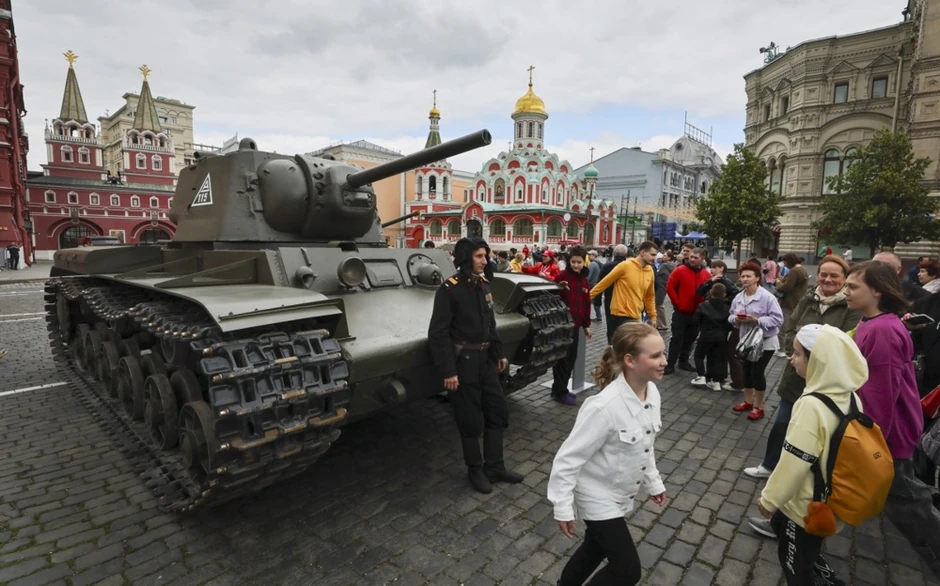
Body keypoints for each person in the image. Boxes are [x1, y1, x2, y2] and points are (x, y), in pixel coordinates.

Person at [547, 323, 667, 586]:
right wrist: (562, 507)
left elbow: (646, 444)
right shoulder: (603, 407)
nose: (664, 362)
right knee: (626, 571)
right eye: (656, 356)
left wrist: (654, 482)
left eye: (663, 353)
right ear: (630, 360)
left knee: (595, 547)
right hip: (596, 496)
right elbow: (568, 459)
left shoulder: (652, 393)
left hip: (619, 493)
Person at [845, 261, 940, 577]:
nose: (846, 291)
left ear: (876, 291)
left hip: (889, 438)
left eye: (853, 286)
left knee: (912, 508)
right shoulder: (874, 322)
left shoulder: (883, 329)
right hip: (885, 435)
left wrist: (869, 445)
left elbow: (880, 397)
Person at [743, 256, 861, 504]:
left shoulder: (851, 307)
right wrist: (793, 352)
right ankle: (770, 464)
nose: (828, 279)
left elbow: (843, 343)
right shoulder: (809, 299)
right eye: (823, 274)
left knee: (814, 432)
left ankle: (808, 480)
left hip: (826, 381)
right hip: (795, 373)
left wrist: (811, 360)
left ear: (844, 278)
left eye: (835, 275)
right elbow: (792, 327)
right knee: (782, 423)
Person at [756, 324, 866, 586]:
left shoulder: (811, 405)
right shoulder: (851, 396)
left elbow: (794, 462)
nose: (791, 358)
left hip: (805, 506)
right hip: (829, 497)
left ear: (817, 360)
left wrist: (769, 499)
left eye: (797, 354)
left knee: (795, 563)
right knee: (801, 544)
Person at [427, 237, 524, 494]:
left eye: (485, 255)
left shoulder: (484, 284)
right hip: (464, 363)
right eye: (479, 256)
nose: (484, 260)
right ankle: (475, 469)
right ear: (466, 258)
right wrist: (448, 371)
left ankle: (495, 466)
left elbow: (490, 323)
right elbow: (438, 333)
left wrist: (499, 353)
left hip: (486, 360)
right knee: (469, 419)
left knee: (497, 411)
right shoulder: (450, 289)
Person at [728, 262, 784, 420]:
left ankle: (759, 406)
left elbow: (778, 319)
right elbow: (731, 315)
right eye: (742, 276)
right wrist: (736, 319)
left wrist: (757, 320)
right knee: (746, 370)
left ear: (757, 278)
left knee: (757, 372)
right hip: (746, 341)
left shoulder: (767, 297)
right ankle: (748, 401)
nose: (745, 279)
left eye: (748, 276)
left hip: (765, 342)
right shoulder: (739, 297)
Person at [551, 246, 593, 406]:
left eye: (579, 262)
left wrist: (586, 325)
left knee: (570, 358)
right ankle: (560, 392)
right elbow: (551, 296)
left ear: (584, 262)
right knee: (563, 359)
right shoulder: (562, 276)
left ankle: (558, 388)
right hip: (563, 325)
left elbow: (586, 303)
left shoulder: (584, 280)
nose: (576, 265)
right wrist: (558, 288)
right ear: (569, 261)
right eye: (573, 262)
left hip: (575, 325)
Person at [590, 241, 658, 341]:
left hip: (636, 315)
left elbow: (649, 296)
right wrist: (585, 299)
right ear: (643, 252)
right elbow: (603, 284)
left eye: (655, 255)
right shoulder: (625, 266)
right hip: (620, 314)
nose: (654, 258)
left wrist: (653, 316)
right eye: (652, 255)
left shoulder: (650, 270)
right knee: (619, 346)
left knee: (632, 346)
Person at [664, 247, 711, 374]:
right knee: (676, 338)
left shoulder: (706, 274)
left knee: (690, 339)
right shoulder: (680, 270)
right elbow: (670, 287)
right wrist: (677, 303)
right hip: (681, 311)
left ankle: (683, 361)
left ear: (702, 259)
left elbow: (708, 292)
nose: (692, 259)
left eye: (696, 258)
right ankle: (670, 363)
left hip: (697, 313)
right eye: (691, 257)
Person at [691, 282, 733, 391]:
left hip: (705, 335)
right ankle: (716, 382)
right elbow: (729, 325)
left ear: (710, 292)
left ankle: (701, 376)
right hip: (721, 337)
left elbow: (695, 321)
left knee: (699, 355)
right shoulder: (727, 308)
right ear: (724, 294)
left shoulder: (703, 306)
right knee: (718, 359)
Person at [774, 253, 810, 357]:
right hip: (797, 301)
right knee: (793, 325)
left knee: (784, 326)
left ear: (789, 261)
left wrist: (778, 283)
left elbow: (787, 287)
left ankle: (782, 349)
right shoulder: (803, 269)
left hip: (789, 302)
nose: (784, 264)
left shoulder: (794, 271)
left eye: (785, 262)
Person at [597, 244, 629, 343]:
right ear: (626, 254)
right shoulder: (630, 266)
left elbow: (600, 284)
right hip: (626, 300)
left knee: (611, 325)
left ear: (614, 253)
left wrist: (597, 301)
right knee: (625, 326)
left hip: (610, 299)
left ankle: (612, 345)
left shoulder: (607, 266)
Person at [654, 251, 676, 331]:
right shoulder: (673, 265)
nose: (663, 257)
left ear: (669, 257)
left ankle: (661, 324)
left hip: (660, 286)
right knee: (659, 305)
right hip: (665, 285)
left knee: (658, 305)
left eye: (665, 255)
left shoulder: (664, 265)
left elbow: (657, 273)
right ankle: (660, 324)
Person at [587, 250, 603, 322]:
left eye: (590, 255)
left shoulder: (592, 264)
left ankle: (588, 317)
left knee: (588, 302)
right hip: (598, 285)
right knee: (596, 302)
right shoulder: (599, 263)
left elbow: (588, 276)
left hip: (592, 286)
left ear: (594, 255)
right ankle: (598, 316)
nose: (588, 256)